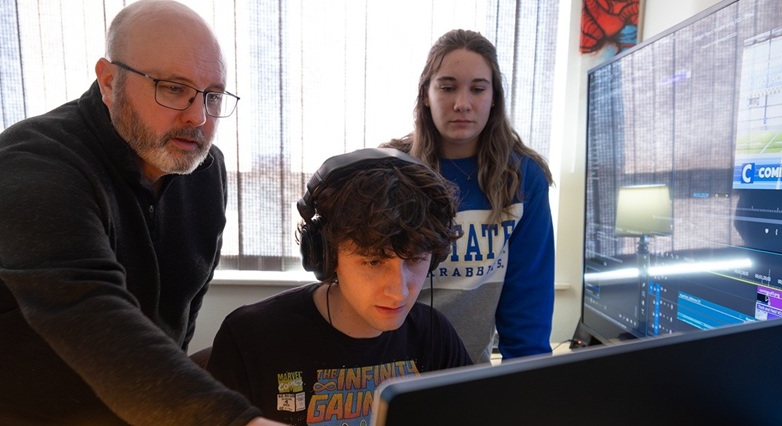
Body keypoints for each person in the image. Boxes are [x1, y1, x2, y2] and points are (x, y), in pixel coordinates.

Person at [0, 1, 283, 425]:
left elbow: (176, 319)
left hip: (125, 407)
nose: (198, 117)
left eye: (212, 95)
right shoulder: (32, 165)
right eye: (173, 88)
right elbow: (87, 314)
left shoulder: (203, 170)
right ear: (109, 82)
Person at [205, 148, 473, 426]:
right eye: (373, 262)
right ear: (327, 256)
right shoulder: (251, 337)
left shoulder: (434, 335)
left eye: (416, 260)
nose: (400, 292)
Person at [383, 29, 556, 363]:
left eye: (477, 88)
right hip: (386, 371)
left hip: (468, 375)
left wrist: (529, 390)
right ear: (426, 95)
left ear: (494, 98)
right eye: (447, 88)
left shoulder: (523, 178)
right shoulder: (389, 168)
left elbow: (528, 301)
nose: (462, 104)